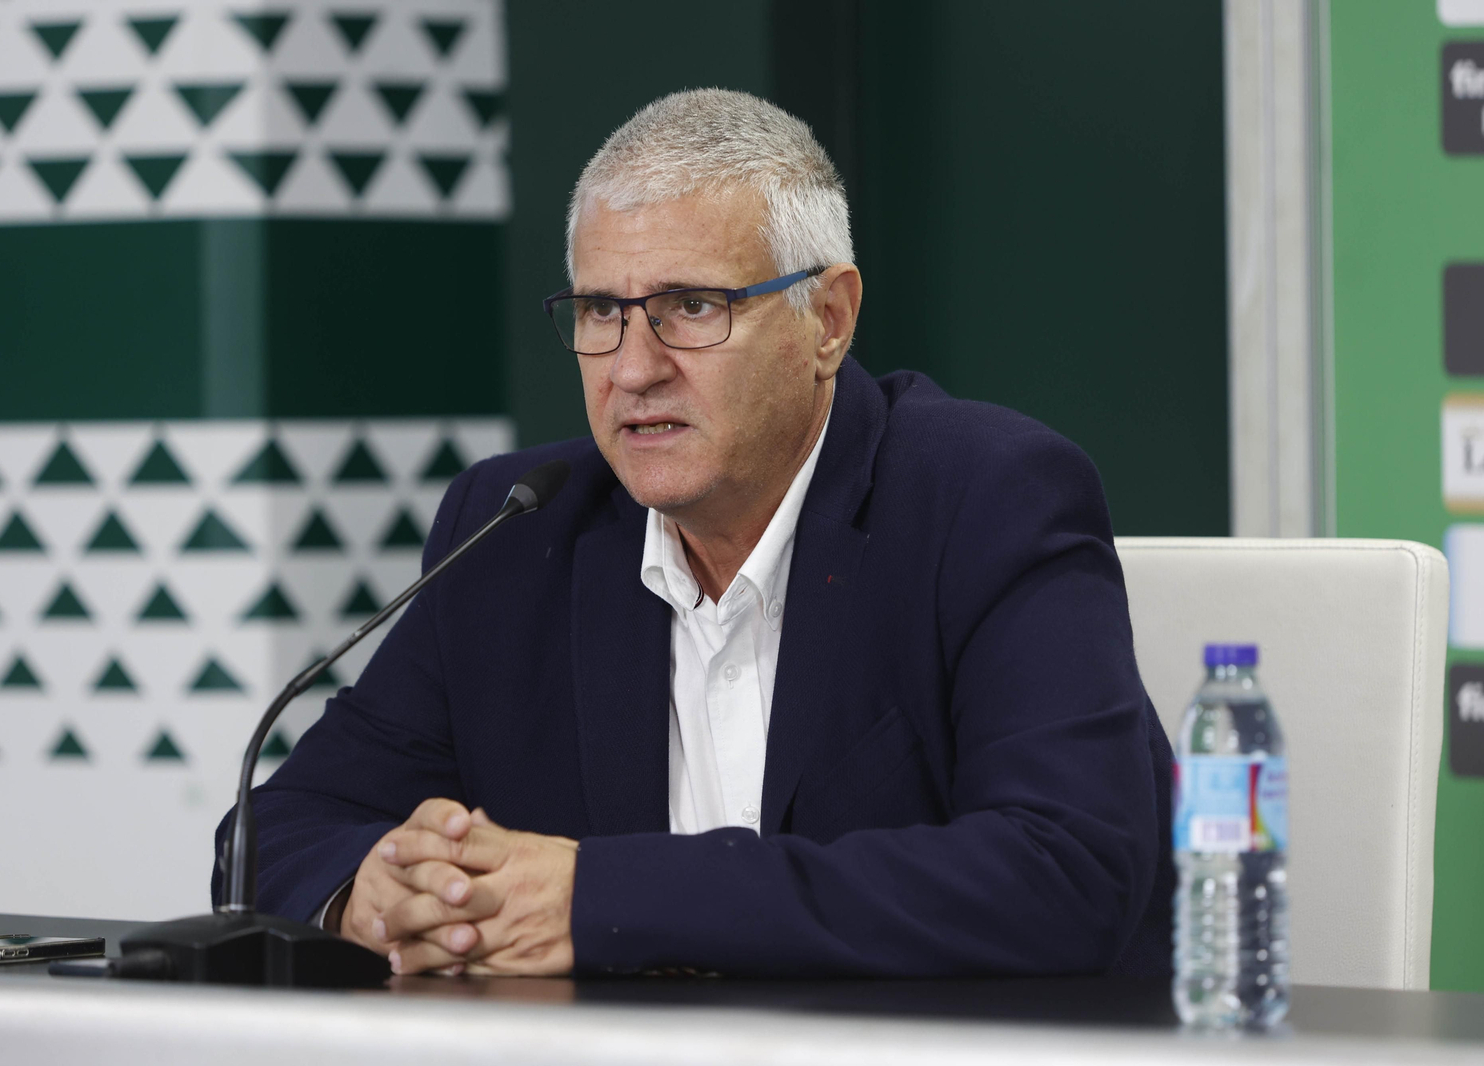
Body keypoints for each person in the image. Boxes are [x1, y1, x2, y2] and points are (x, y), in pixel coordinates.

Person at [216, 88, 1175, 979]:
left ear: (828, 321)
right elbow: (277, 831)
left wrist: (600, 900)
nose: (633, 369)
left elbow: (1068, 869)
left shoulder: (986, 498)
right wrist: (373, 891)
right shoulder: (517, 527)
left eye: (691, 307)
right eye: (600, 311)